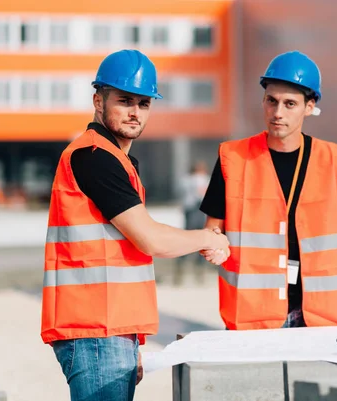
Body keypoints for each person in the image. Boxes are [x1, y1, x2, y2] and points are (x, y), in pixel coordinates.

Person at [40, 49, 229, 401]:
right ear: (98, 100)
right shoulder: (93, 157)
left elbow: (122, 253)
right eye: (124, 101)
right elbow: (150, 238)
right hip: (95, 331)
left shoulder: (116, 159)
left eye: (143, 104)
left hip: (110, 332)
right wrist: (208, 237)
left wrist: (130, 342)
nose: (134, 112)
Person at [199, 51, 337, 331]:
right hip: (253, 318)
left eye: (290, 104)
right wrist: (214, 246)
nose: (278, 113)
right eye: (271, 101)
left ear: (309, 107)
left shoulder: (334, 161)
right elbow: (212, 231)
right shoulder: (233, 158)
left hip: (318, 318)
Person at [174, 161, 211, 283]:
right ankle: (199, 273)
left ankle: (181, 272)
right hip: (198, 211)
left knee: (186, 240)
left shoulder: (185, 180)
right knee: (201, 240)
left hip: (190, 211)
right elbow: (202, 193)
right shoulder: (202, 179)